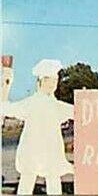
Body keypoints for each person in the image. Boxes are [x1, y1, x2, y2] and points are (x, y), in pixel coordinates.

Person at [2, 59, 73, 195]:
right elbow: (6, 108)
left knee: (52, 181)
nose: (53, 84)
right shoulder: (32, 103)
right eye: (49, 80)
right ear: (40, 82)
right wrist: (6, 80)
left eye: (55, 80)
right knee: (29, 181)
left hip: (49, 152)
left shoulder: (56, 106)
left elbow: (78, 111)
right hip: (32, 152)